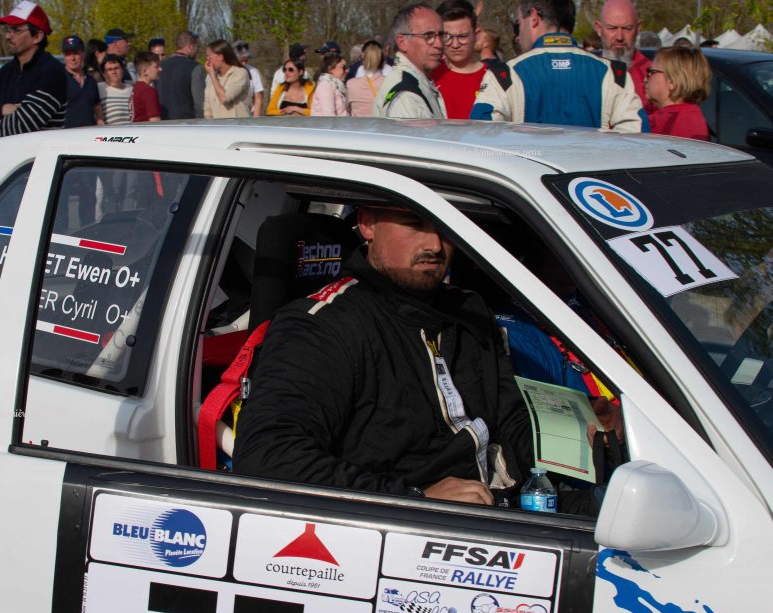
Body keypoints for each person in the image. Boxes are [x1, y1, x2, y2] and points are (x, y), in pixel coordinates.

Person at [234, 205, 531, 504]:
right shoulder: (322, 325)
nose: (435, 245)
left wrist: (573, 455)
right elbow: (267, 455)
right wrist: (415, 500)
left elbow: (513, 419)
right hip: (403, 527)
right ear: (367, 225)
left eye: (444, 226)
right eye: (414, 224)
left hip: (511, 504)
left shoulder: (470, 310)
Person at [470, 0, 646, 133]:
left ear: (534, 17)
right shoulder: (614, 74)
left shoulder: (504, 75)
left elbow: (483, 137)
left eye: (518, 23)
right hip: (589, 179)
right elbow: (637, 140)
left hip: (527, 179)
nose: (518, 34)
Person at [0, 1, 67, 137]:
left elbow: (20, 126)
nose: (8, 36)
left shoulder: (52, 72)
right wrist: (2, 109)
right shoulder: (4, 73)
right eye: (7, 30)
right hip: (4, 156)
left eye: (16, 30)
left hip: (36, 157)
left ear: (37, 36)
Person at [375, 3, 447, 119]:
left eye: (441, 35)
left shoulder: (417, 83)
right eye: (428, 36)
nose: (439, 44)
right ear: (402, 42)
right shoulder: (407, 97)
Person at [595, 0, 654, 115]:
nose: (619, 37)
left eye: (627, 28)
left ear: (638, 28)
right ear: (599, 28)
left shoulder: (653, 75)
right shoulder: (585, 72)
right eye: (612, 28)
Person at [431, 0, 486, 119]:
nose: (455, 44)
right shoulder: (428, 77)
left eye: (462, 36)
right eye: (447, 36)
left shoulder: (493, 79)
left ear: (476, 35)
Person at [645, 46, 710, 141]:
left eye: (651, 72)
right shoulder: (693, 115)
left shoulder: (657, 124)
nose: (645, 79)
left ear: (672, 81)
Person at [157, 30, 205, 120]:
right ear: (190, 46)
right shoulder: (195, 67)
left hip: (162, 122)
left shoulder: (159, 67)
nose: (197, 51)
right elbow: (199, 102)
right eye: (196, 47)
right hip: (186, 123)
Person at [203, 39, 251, 119]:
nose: (208, 61)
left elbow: (225, 98)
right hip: (218, 128)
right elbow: (208, 109)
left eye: (210, 57)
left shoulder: (240, 73)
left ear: (221, 57)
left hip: (238, 127)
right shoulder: (211, 77)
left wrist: (212, 76)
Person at [61, 35, 101, 128]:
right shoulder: (58, 80)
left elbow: (97, 108)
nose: (72, 58)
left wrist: (101, 124)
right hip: (64, 136)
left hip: (89, 135)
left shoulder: (91, 81)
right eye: (68, 54)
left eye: (75, 53)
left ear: (83, 53)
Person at [347, 41, 387, 116]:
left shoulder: (351, 84)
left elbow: (347, 108)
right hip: (380, 126)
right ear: (382, 61)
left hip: (357, 126)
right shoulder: (388, 83)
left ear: (363, 60)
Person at [97, 55, 132, 125]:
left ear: (122, 70)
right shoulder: (99, 88)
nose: (113, 72)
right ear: (103, 73)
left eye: (116, 68)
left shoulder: (132, 89)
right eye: (109, 69)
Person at [233, 40, 265, 117]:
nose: (244, 63)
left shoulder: (253, 72)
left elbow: (258, 98)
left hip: (248, 115)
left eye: (246, 60)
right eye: (241, 60)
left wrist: (255, 120)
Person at [130, 51, 162, 122]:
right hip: (146, 132)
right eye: (156, 67)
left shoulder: (135, 88)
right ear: (145, 71)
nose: (160, 69)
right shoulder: (148, 91)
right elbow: (155, 122)